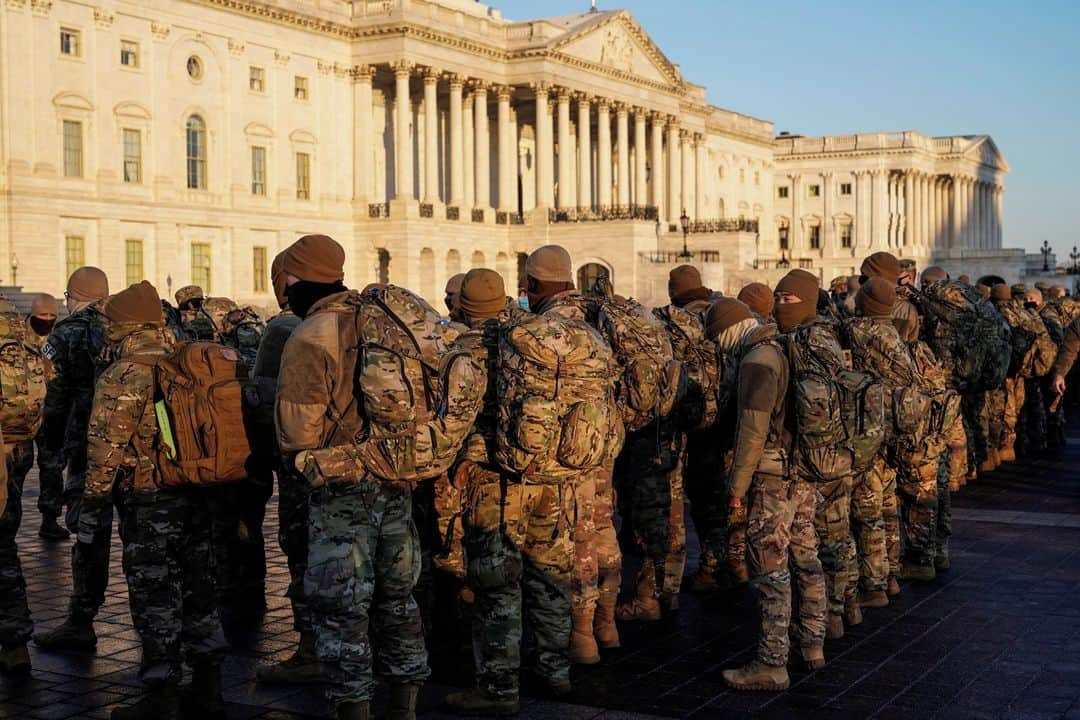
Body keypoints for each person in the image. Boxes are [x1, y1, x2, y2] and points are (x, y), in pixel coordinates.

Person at [276, 235, 428, 720]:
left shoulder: (311, 334)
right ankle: (406, 703)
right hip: (396, 475)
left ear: (296, 280)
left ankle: (354, 708)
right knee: (398, 598)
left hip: (341, 487)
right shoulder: (384, 319)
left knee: (342, 607)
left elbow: (298, 432)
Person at [79, 281, 227, 720]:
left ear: (123, 325)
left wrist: (92, 506)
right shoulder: (189, 359)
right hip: (197, 490)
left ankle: (161, 692)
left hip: (148, 499)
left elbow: (104, 449)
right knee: (201, 588)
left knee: (155, 593)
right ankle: (209, 687)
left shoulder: (125, 372)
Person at [443, 268, 579, 714]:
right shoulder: (534, 339)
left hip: (495, 483)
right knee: (549, 576)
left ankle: (499, 687)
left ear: (463, 304)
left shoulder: (465, 348)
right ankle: (554, 671)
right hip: (552, 477)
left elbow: (454, 422)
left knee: (498, 585)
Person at [710, 288, 823, 691]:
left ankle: (772, 663)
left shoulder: (757, 360)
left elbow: (752, 431)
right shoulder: (787, 345)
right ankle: (812, 644)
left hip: (773, 477)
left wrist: (737, 486)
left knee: (771, 568)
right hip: (804, 471)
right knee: (806, 558)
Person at [522, 246, 624, 665]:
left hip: (566, 453)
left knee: (577, 538)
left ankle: (582, 636)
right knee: (603, 528)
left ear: (533, 285)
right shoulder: (601, 318)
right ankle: (608, 623)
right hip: (604, 441)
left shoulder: (544, 329)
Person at [34, 267, 112, 652]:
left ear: (73, 296)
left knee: (89, 531)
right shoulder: (127, 324)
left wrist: (50, 445)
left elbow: (52, 395)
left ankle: (82, 617)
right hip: (139, 450)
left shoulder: (63, 334)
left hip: (87, 448)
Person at [254, 252, 316, 685]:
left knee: (302, 552)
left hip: (301, 464)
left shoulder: (282, 328)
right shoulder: (356, 319)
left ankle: (310, 648)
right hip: (353, 466)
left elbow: (260, 396)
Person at [22, 293, 66, 540]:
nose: (47, 319)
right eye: (42, 315)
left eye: (51, 316)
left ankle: (49, 519)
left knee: (52, 468)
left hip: (51, 415)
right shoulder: (19, 338)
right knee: (17, 469)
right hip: (24, 415)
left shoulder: (58, 338)